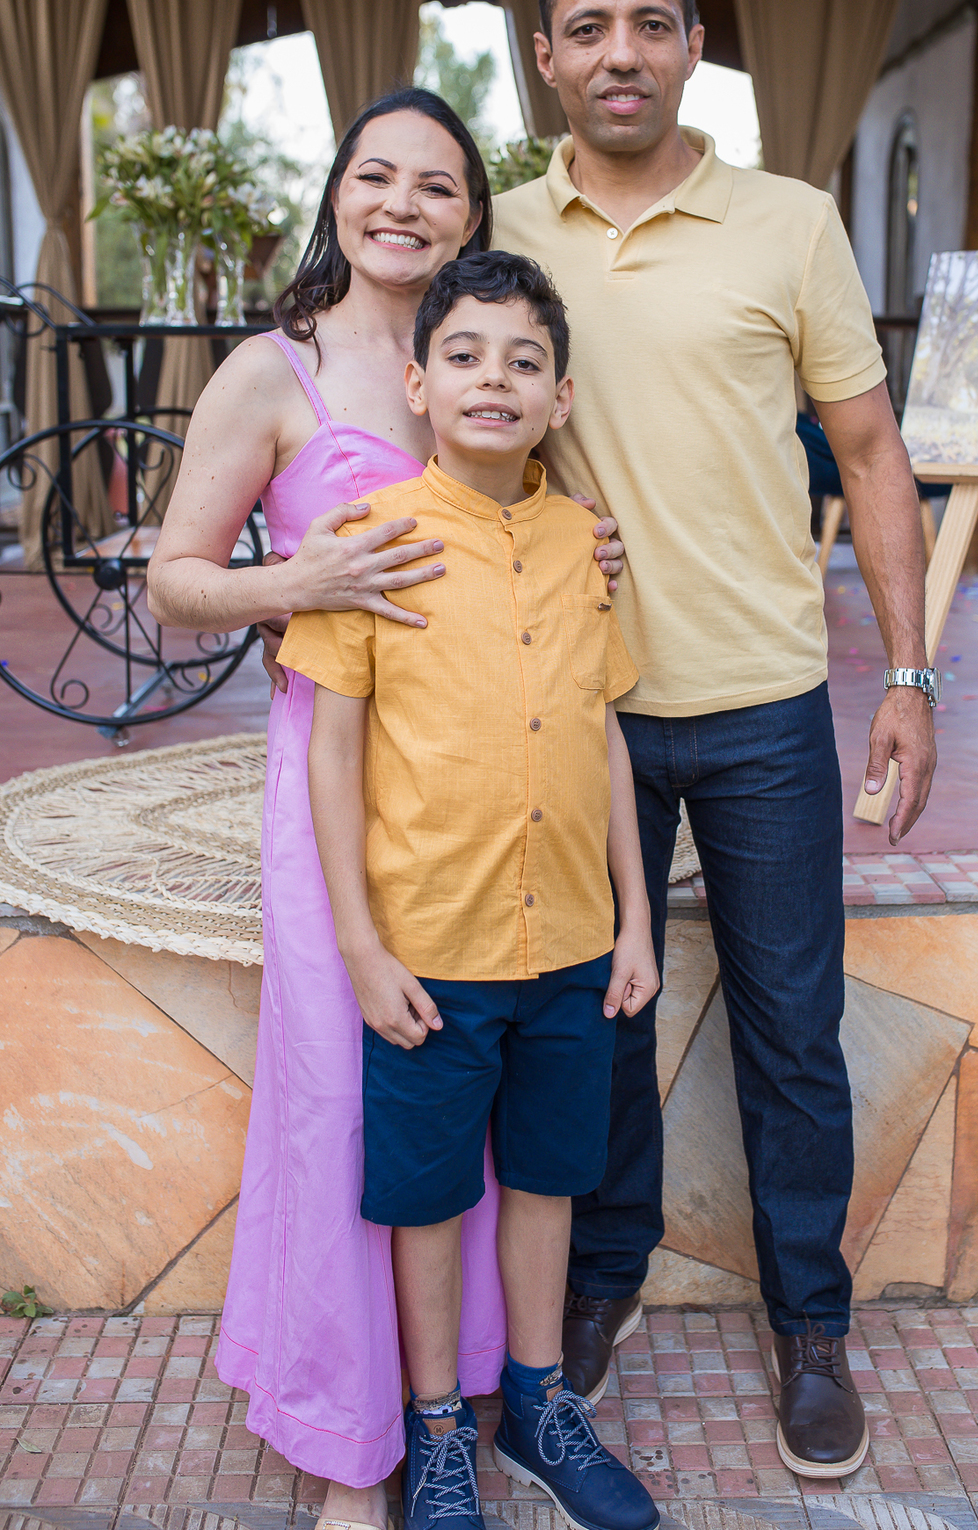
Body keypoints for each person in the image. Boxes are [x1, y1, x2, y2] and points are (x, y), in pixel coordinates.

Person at [491, 0, 938, 1480]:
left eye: (650, 24)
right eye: (588, 27)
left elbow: (873, 454)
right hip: (576, 708)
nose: (621, 53)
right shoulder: (501, 230)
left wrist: (911, 675)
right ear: (545, 57)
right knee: (594, 1023)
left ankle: (810, 1324)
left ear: (694, 46)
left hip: (761, 705)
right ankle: (598, 1285)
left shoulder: (790, 224)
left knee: (791, 1029)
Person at [146, 91, 622, 1530]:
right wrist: (301, 582)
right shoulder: (272, 370)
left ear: (474, 214)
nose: (403, 205)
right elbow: (174, 579)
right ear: (338, 194)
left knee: (478, 1114)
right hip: (336, 771)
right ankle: (351, 1438)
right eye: (376, 177)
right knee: (349, 1098)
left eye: (437, 185)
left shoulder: (483, 355)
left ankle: (474, 1396)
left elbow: (540, 534)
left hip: (485, 791)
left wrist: (585, 543)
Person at [278, 251, 660, 1530]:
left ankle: (540, 1404)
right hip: (432, 951)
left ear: (560, 398)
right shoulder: (370, 542)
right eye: (465, 355)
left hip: (573, 945)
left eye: (524, 360)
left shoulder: (583, 544)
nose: (494, 378)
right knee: (430, 1195)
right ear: (417, 384)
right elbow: (333, 754)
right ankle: (438, 1425)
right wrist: (362, 946)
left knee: (550, 1177)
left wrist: (636, 922)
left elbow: (603, 732)